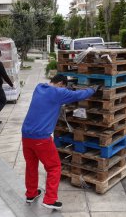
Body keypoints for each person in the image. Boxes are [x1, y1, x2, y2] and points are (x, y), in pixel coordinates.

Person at [21, 75, 97, 210]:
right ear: (61, 84)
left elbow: (52, 97)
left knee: (31, 166)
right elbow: (78, 95)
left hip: (26, 135)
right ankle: (50, 199)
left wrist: (65, 90)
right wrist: (92, 90)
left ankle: (31, 194)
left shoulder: (39, 88)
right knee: (54, 167)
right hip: (41, 138)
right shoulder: (59, 93)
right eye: (64, 87)